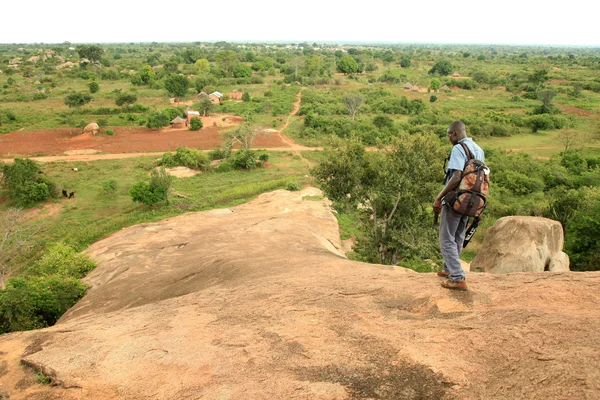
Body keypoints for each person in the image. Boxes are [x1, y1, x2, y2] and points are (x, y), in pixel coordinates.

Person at [433, 121, 484, 291]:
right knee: (458, 234)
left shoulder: (458, 149)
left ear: (454, 133)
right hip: (471, 200)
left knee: (446, 237)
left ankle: (457, 277)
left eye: (449, 134)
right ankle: (449, 269)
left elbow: (456, 177)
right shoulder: (478, 149)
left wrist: (439, 197)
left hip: (455, 199)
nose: (448, 138)